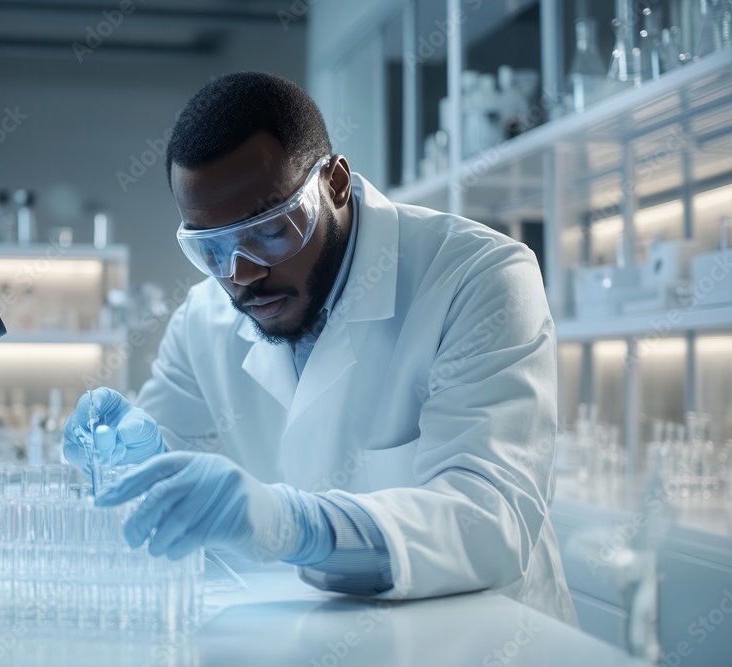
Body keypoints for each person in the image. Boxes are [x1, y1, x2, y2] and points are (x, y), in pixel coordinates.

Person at [64, 72, 578, 624]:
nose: (241, 275)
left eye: (267, 230)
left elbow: (489, 522)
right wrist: (132, 462)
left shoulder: (477, 277)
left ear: (334, 183)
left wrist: (291, 525)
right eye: (210, 248)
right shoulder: (201, 321)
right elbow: (164, 494)